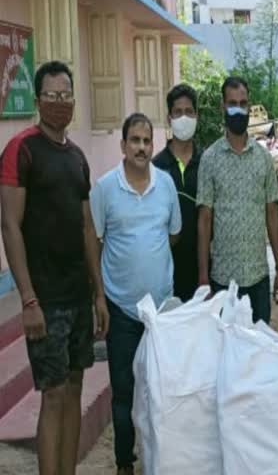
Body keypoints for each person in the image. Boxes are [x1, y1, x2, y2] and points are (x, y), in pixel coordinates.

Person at [0, 61, 108, 475]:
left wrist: (98, 293)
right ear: (39, 100)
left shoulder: (77, 157)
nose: (60, 103)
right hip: (43, 299)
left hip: (78, 295)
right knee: (55, 393)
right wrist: (28, 299)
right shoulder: (21, 150)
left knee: (76, 388)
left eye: (66, 96)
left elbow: (86, 227)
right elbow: (10, 225)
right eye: (52, 96)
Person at [90, 113, 181, 474]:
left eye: (147, 141)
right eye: (135, 141)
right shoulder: (105, 188)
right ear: (123, 145)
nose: (141, 147)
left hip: (161, 313)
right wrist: (99, 298)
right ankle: (125, 463)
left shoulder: (166, 185)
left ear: (152, 145)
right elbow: (94, 242)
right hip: (122, 309)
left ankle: (162, 459)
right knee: (124, 394)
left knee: (161, 392)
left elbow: (172, 234)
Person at [197, 76, 278, 323]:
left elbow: (272, 215)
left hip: (258, 278)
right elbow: (204, 220)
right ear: (222, 108)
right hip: (222, 281)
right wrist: (203, 277)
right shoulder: (210, 158)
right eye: (232, 103)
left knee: (259, 352)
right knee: (226, 356)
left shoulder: (264, 159)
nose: (239, 109)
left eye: (243, 103)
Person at [152, 84, 201, 301]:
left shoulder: (208, 163)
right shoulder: (156, 167)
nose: (183, 117)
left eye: (189, 112)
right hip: (166, 272)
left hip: (203, 271)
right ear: (169, 117)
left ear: (196, 116)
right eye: (178, 112)